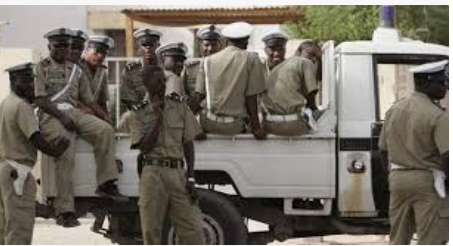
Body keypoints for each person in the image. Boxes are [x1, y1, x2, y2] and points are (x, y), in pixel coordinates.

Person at [34, 28, 127, 228]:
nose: (63, 49)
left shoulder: (76, 70)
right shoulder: (41, 68)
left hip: (74, 112)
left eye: (66, 45)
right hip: (51, 114)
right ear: (49, 46)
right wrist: (61, 116)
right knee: (65, 151)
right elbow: (40, 99)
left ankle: (106, 183)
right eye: (58, 45)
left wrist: (104, 117)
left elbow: (88, 100)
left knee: (104, 131)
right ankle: (65, 211)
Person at [137, 53, 205, 245]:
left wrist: (191, 176)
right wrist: (158, 117)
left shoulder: (179, 107)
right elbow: (143, 147)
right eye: (157, 82)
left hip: (178, 173)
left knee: (194, 229)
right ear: (147, 85)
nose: (162, 85)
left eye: (163, 81)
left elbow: (188, 143)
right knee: (151, 232)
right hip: (152, 174)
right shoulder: (139, 112)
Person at [379, 60, 449, 245]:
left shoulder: (394, 109)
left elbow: (382, 149)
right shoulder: (438, 116)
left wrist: (391, 175)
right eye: (441, 82)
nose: (446, 87)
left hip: (398, 180)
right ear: (425, 84)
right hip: (428, 181)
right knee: (431, 238)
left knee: (399, 237)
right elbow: (447, 156)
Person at [0, 63, 69, 244]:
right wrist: (56, 151)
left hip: (5, 171)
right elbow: (35, 138)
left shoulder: (6, 102)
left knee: (5, 227)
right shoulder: (23, 106)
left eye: (32, 80)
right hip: (18, 173)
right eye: (26, 81)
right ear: (14, 81)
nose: (31, 85)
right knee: (19, 229)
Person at [193, 22, 266, 139]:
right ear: (246, 42)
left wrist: (189, 125)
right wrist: (256, 127)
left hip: (208, 124)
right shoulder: (251, 58)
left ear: (225, 41)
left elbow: (198, 97)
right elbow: (251, 97)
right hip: (234, 126)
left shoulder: (207, 61)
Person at [261, 32, 319, 136]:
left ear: (285, 50)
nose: (276, 53)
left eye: (280, 49)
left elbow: (310, 98)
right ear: (265, 50)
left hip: (292, 121)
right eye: (272, 49)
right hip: (266, 122)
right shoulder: (258, 69)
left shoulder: (295, 67)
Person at [121, 28, 162, 149]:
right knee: (125, 119)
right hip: (140, 112)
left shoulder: (166, 67)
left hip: (162, 109)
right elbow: (130, 101)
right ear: (139, 48)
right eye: (144, 45)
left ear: (158, 46)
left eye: (152, 45)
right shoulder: (131, 70)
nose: (148, 48)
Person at [183, 25, 223, 103]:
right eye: (207, 45)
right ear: (201, 46)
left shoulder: (226, 66)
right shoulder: (191, 67)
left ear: (220, 46)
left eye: (214, 45)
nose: (210, 49)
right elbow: (184, 91)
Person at [78, 35, 114, 116]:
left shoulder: (102, 72)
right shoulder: (76, 68)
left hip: (94, 113)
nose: (100, 56)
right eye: (97, 51)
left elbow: (102, 101)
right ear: (86, 50)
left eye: (104, 53)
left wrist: (107, 117)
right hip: (77, 111)